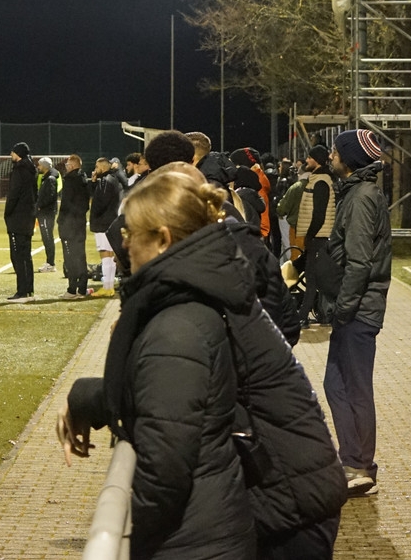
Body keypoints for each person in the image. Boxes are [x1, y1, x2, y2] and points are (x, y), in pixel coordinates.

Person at [59, 169, 345, 559]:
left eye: (130, 233)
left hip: (287, 505)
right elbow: (177, 395)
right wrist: (86, 397)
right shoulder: (208, 281)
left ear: (163, 239)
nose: (124, 245)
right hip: (284, 491)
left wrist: (128, 540)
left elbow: (166, 463)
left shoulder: (184, 316)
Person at [324, 129, 392, 493]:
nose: (331, 156)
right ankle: (352, 460)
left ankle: (360, 466)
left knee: (354, 387)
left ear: (349, 158)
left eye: (336, 152)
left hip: (358, 309)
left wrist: (343, 308)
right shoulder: (355, 192)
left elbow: (359, 262)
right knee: (336, 383)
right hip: (355, 306)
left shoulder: (362, 196)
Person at [296, 145, 336, 327]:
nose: (307, 160)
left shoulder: (321, 182)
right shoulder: (318, 179)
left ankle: (302, 316)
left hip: (319, 237)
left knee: (312, 278)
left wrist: (310, 236)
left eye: (310, 157)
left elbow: (319, 214)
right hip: (318, 236)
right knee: (314, 277)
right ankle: (320, 313)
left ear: (317, 160)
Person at [3, 142, 37, 303]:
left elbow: (13, 194)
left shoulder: (19, 170)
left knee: (18, 256)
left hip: (18, 219)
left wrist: (7, 213)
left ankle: (22, 291)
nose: (11, 154)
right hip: (28, 217)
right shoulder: (32, 170)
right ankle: (28, 290)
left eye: (13, 152)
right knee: (26, 255)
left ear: (18, 154)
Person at [58, 154, 90, 299]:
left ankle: (72, 290)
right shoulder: (83, 179)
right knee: (80, 256)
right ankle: (82, 289)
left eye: (67, 164)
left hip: (70, 225)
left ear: (72, 166)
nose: (66, 167)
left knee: (70, 257)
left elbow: (67, 204)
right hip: (80, 224)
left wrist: (62, 221)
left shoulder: (71, 180)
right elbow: (84, 205)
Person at [89, 157, 122, 297]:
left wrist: (95, 216)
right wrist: (93, 182)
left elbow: (100, 202)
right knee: (109, 255)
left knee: (105, 254)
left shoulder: (105, 181)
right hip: (110, 221)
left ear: (102, 167)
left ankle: (107, 287)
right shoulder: (113, 179)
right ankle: (109, 286)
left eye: (97, 167)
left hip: (103, 222)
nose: (95, 170)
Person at [35, 156, 60, 272]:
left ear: (45, 166)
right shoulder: (47, 178)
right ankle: (49, 262)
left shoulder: (50, 179)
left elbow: (50, 197)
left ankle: (51, 263)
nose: (38, 167)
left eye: (40, 165)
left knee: (48, 238)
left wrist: (40, 206)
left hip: (47, 213)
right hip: (46, 212)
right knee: (46, 238)